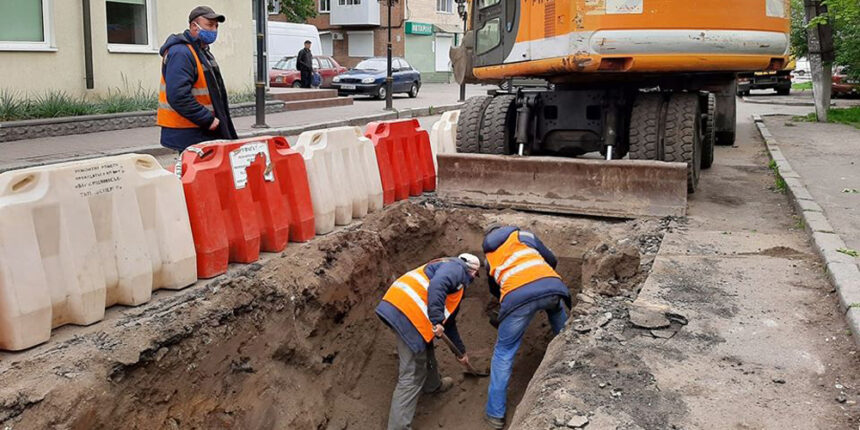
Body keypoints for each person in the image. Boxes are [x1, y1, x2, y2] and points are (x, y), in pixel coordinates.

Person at [376, 253, 481, 430]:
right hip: (406, 314)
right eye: (476, 275)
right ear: (472, 271)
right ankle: (398, 427)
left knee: (426, 344)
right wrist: (436, 319)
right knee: (412, 375)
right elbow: (438, 284)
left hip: (398, 307)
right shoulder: (456, 268)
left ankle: (432, 385)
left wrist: (460, 352)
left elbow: (450, 323)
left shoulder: (450, 275)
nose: (473, 279)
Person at [482, 224, 570, 429]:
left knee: (504, 352)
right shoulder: (524, 236)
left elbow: (495, 289)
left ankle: (495, 415)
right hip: (552, 287)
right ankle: (569, 359)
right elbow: (551, 259)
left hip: (517, 299)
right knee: (560, 321)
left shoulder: (489, 256)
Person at [157, 5, 237, 152]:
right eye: (210, 25)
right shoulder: (181, 53)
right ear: (194, 26)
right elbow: (178, 95)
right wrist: (207, 119)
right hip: (189, 131)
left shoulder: (201, 51)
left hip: (198, 129)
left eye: (216, 26)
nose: (214, 30)